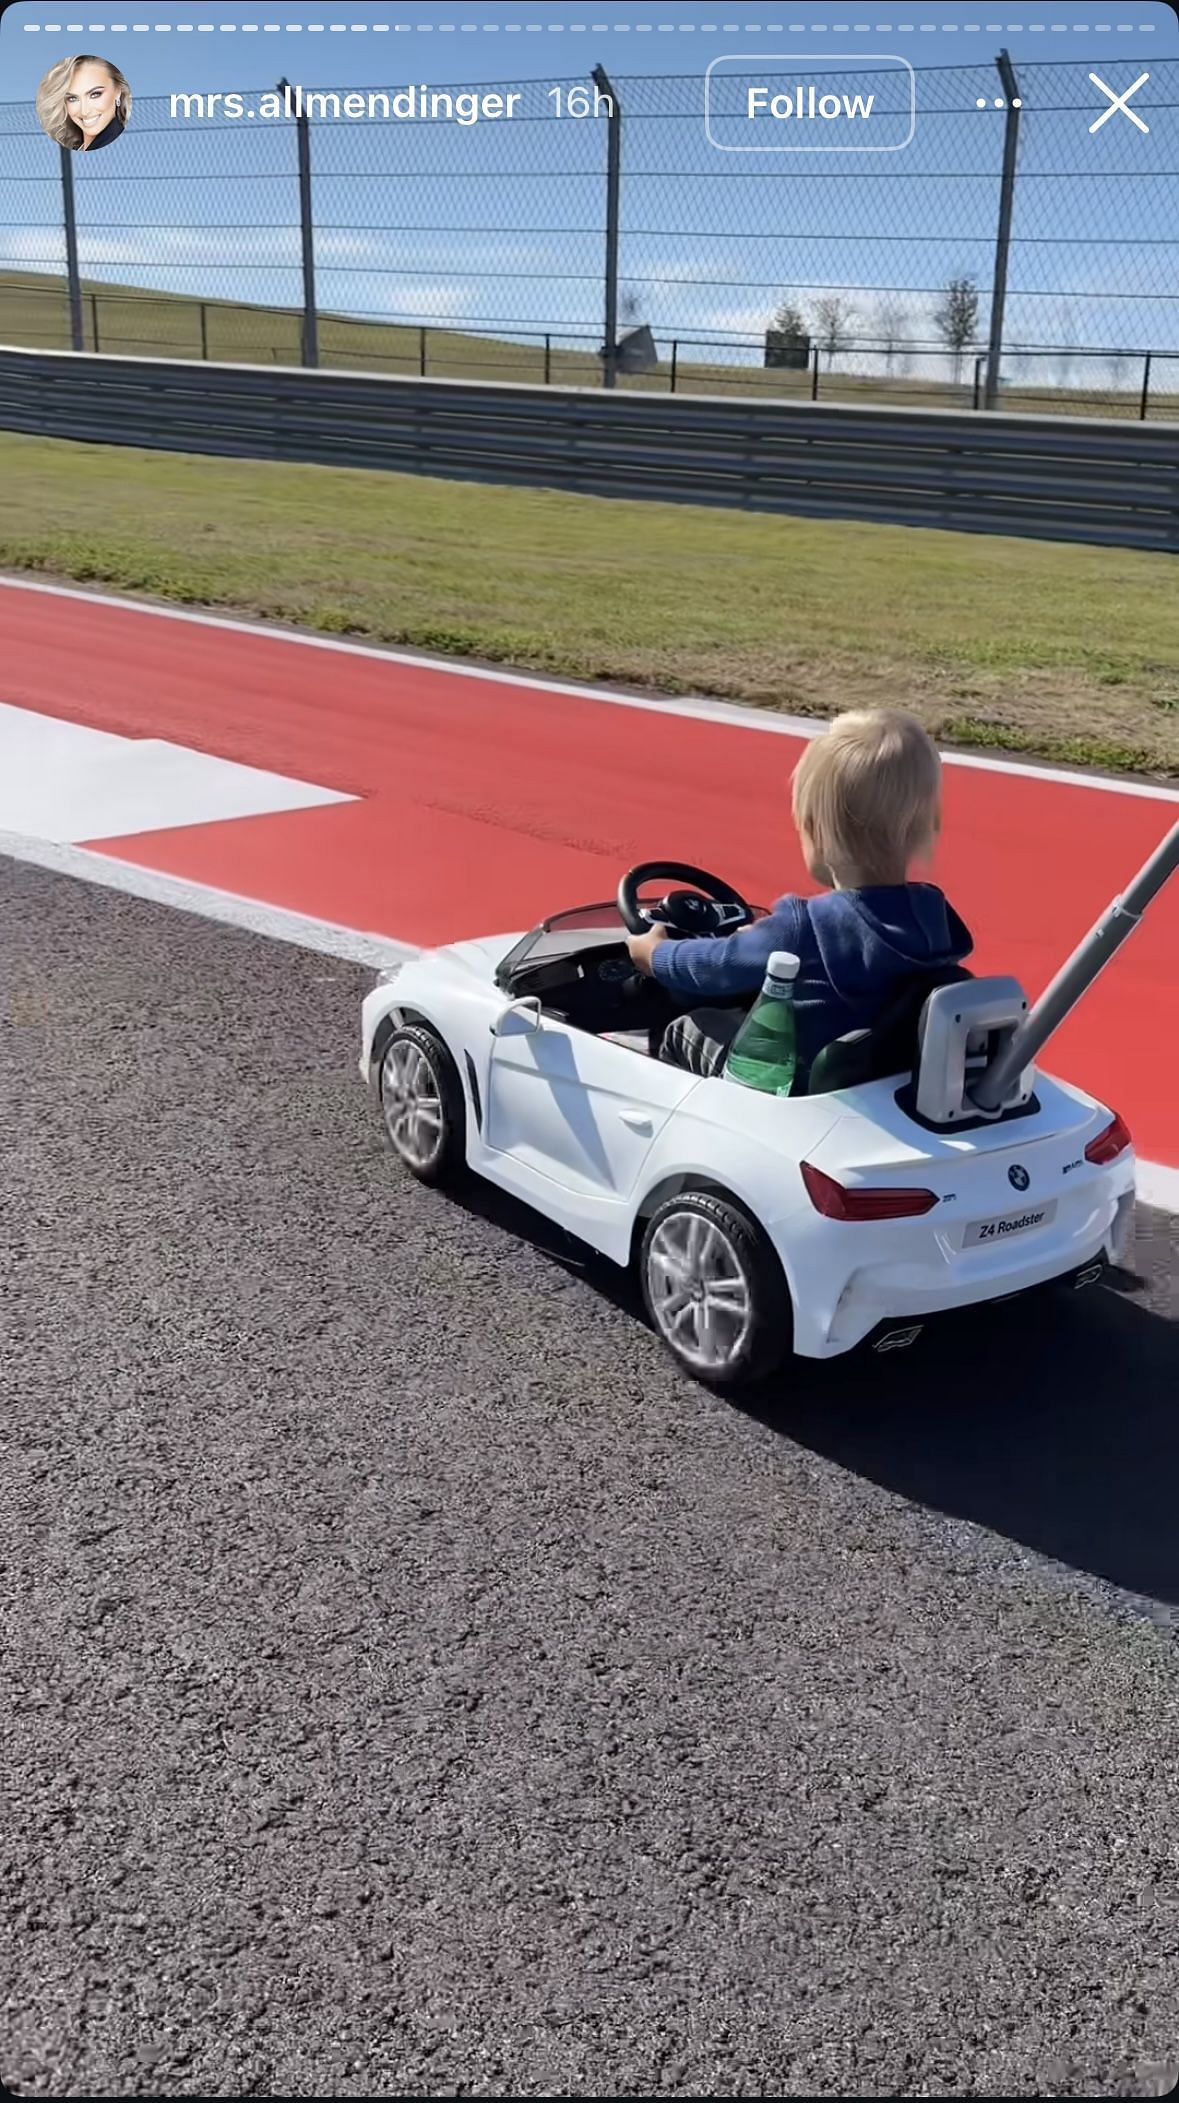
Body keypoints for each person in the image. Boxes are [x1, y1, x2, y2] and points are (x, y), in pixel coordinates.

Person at [626, 708, 973, 1089]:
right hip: (876, 1080)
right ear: (925, 826)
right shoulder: (934, 921)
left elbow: (718, 966)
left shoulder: (802, 928)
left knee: (688, 1027)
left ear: (815, 832)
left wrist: (655, 955)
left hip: (796, 1088)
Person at [35, 55, 131, 153]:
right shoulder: (74, 145)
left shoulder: (120, 145)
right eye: (72, 98)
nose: (84, 111)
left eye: (95, 94)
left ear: (118, 91)